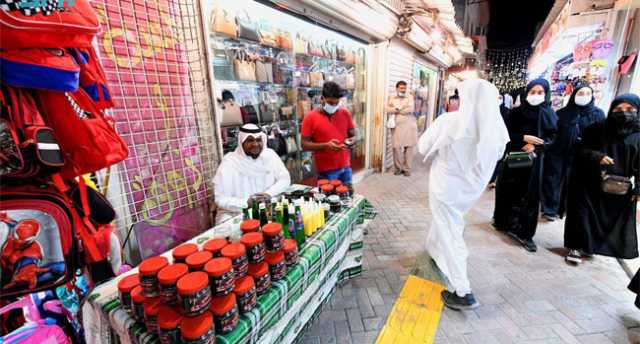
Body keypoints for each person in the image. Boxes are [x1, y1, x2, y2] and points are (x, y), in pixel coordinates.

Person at [418, 79, 510, 310]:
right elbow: (495, 158)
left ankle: (463, 291)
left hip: (445, 187)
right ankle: (434, 249)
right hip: (471, 190)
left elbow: (423, 147)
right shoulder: (498, 129)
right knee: (448, 222)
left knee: (451, 230)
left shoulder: (449, 121)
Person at [563, 93, 640, 264]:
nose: (624, 113)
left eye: (629, 109)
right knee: (582, 215)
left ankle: (590, 246)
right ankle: (575, 246)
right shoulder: (596, 129)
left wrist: (638, 188)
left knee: (606, 220)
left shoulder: (638, 135)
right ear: (612, 109)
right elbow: (579, 151)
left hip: (618, 187)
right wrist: (596, 156)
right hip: (588, 181)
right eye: (618, 109)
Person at [493, 79, 558, 252]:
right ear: (526, 93)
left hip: (535, 163)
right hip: (515, 159)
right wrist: (522, 139)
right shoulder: (515, 113)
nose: (536, 95)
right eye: (532, 92)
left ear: (546, 94)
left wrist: (537, 145)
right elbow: (505, 135)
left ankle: (525, 233)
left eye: (540, 92)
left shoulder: (550, 114)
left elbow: (553, 138)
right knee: (508, 191)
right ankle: (504, 222)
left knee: (529, 197)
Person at [542, 82, 605, 221]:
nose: (584, 96)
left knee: (573, 183)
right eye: (581, 93)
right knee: (553, 180)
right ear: (574, 95)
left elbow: (601, 137)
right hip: (559, 153)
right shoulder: (562, 113)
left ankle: (564, 209)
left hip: (582, 156)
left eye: (588, 94)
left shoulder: (598, 115)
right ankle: (550, 209)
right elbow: (552, 132)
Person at [213, 124, 291, 224]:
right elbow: (220, 199)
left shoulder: (270, 156)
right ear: (242, 142)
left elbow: (285, 179)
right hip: (238, 213)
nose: (255, 144)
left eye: (258, 140)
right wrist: (246, 203)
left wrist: (268, 194)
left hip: (267, 209)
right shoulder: (230, 163)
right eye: (250, 140)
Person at [301, 81, 356, 185]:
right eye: (331, 103)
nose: (334, 106)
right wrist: (326, 145)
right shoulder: (310, 118)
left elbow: (353, 135)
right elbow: (304, 144)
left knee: (347, 197)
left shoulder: (345, 113)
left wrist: (351, 141)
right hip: (325, 170)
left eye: (337, 103)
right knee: (327, 199)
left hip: (345, 167)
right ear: (322, 99)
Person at [387, 81, 417, 176]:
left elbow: (410, 109)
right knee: (396, 147)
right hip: (396, 126)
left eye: (404, 88)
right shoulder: (391, 97)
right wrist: (399, 108)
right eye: (401, 88)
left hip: (409, 125)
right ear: (397, 88)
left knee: (408, 147)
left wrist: (397, 109)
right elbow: (387, 109)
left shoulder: (410, 97)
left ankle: (407, 169)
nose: (403, 90)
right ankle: (398, 168)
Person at [489, 94, 511, 187]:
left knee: (498, 159)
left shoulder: (506, 110)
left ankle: (493, 179)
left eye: (500, 98)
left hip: (500, 138)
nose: (498, 100)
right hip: (490, 137)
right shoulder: (489, 109)